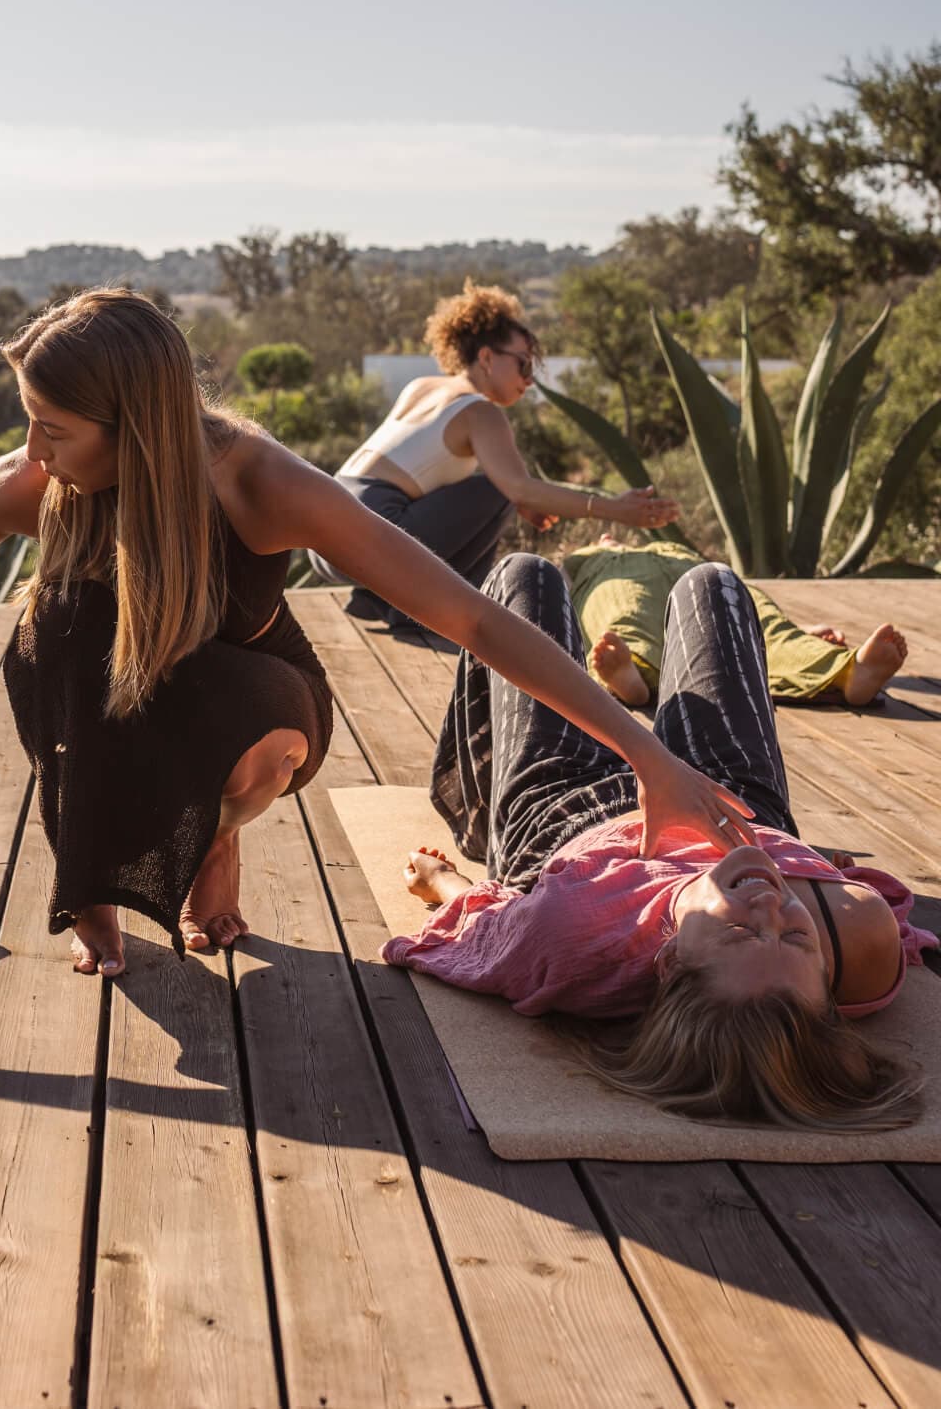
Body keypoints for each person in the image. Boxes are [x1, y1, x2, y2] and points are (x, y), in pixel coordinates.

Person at [0, 288, 755, 981]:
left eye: (54, 429)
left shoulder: (257, 481)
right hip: (91, 701)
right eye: (26, 424)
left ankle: (211, 833)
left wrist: (650, 754)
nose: (31, 453)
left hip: (245, 695)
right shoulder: (44, 480)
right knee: (68, 619)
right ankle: (98, 875)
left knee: (221, 728)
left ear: (133, 418)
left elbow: (471, 615)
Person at [385, 553, 932, 1132]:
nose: (772, 906)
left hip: (569, 806)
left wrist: (438, 882)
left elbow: (482, 934)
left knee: (525, 576)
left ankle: (478, 804)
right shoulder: (860, 940)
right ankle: (638, 683)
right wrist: (824, 869)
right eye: (798, 936)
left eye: (744, 931)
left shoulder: (569, 934)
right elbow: (866, 901)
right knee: (712, 583)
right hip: (734, 803)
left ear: (669, 960)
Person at [308, 282, 681, 626]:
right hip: (374, 536)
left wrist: (512, 496)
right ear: (486, 357)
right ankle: (447, 613)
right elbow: (518, 488)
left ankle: (379, 601)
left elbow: (418, 470)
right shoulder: (481, 411)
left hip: (326, 536)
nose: (529, 379)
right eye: (523, 363)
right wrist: (615, 509)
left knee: (498, 492)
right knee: (500, 491)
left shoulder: (422, 387)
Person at [565, 535, 910, 707]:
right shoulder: (590, 559)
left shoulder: (671, 546)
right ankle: (630, 677)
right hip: (623, 576)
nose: (610, 535)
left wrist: (800, 629)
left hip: (693, 573)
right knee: (625, 613)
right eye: (602, 537)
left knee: (755, 616)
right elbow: (561, 597)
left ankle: (849, 672)